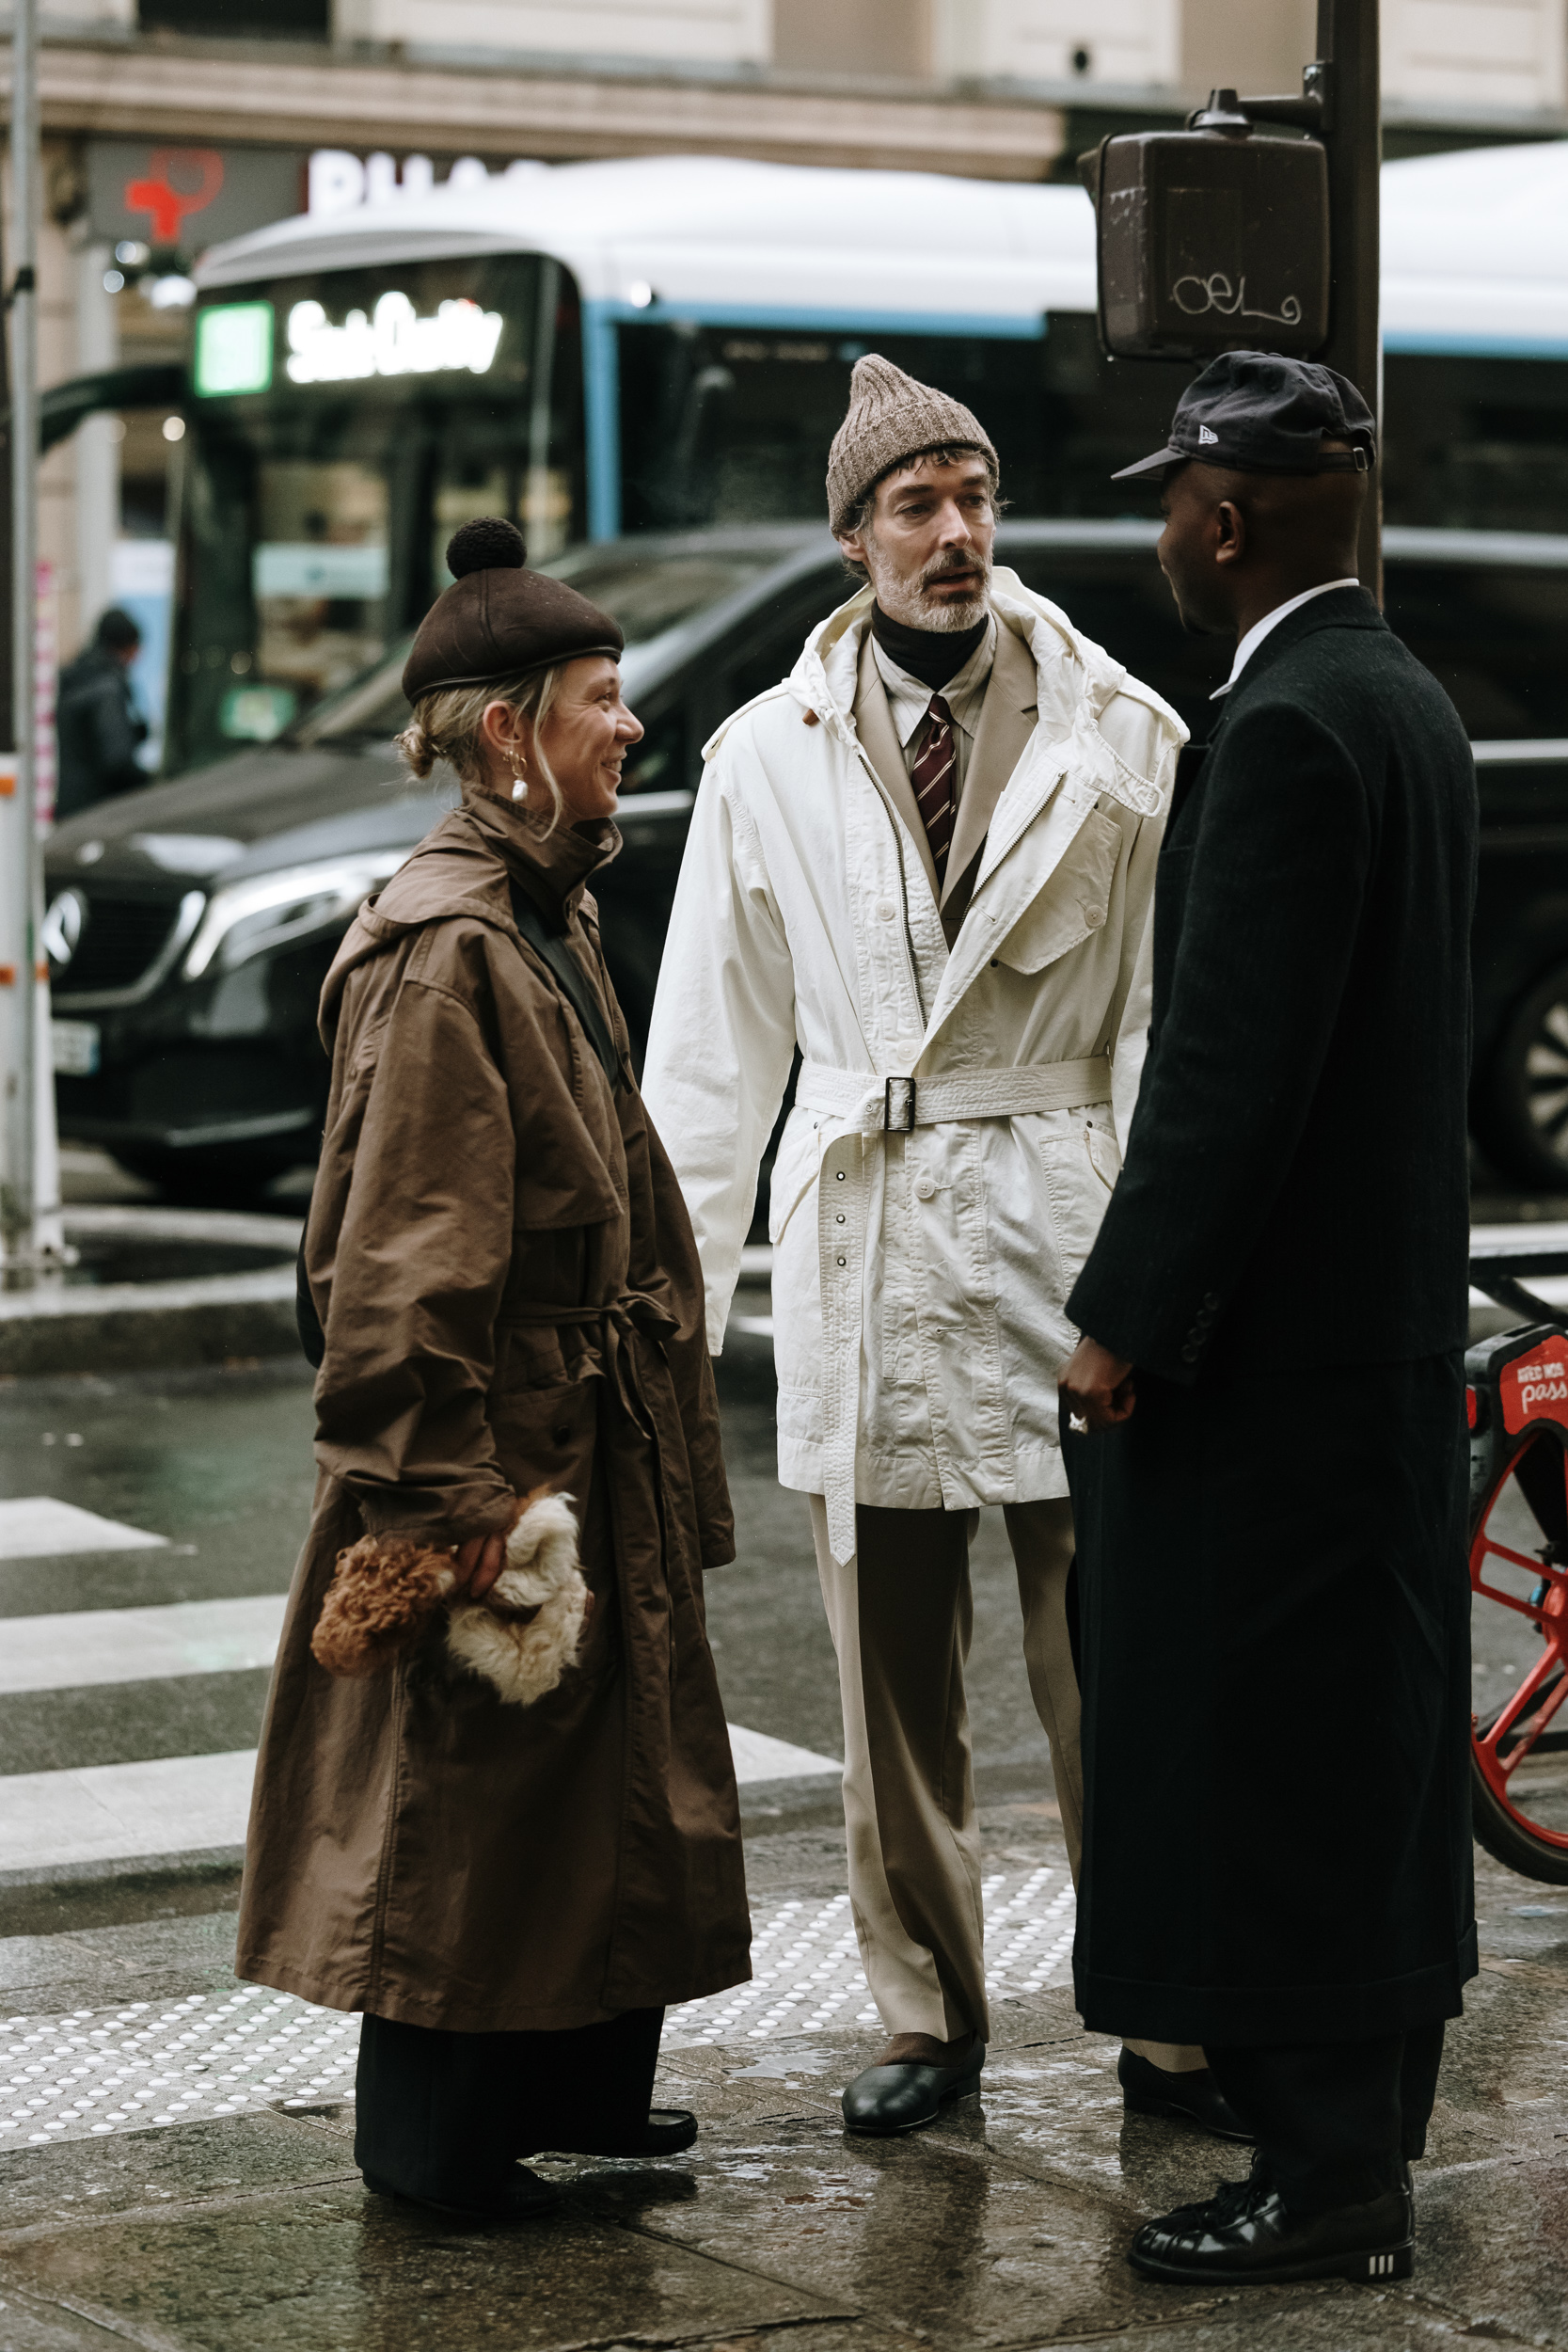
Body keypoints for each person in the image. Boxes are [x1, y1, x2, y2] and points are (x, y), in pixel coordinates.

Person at [643, 356, 1234, 2141]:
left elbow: (1154, 1027)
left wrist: (1153, 1277)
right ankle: (927, 2014)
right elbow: (711, 1052)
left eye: (971, 497)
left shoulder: (1123, 729)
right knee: (884, 1675)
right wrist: (677, 1319)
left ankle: (1169, 2011)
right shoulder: (761, 755)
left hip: (1063, 1225)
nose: (954, 532)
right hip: (870, 1227)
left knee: (1107, 1658)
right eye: (915, 505)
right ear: (852, 539)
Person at [236, 517, 751, 2223]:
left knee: (580, 1796)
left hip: (577, 1429)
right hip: (502, 1451)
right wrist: (449, 1504)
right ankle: (444, 2156)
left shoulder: (540, 912)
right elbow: (391, 1276)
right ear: (505, 736)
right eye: (602, 702)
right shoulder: (455, 948)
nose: (631, 728)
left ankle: (570, 2091)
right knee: (471, 1808)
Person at [1058, 352, 1479, 2286]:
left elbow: (1227, 1076)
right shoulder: (1397, 698)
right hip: (1372, 1339)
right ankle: (1356, 2152)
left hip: (1276, 1358)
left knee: (1269, 1758)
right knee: (1366, 1748)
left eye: (1171, 501)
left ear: (1223, 523)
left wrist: (1123, 1318)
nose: (1157, 526)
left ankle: (1320, 2184)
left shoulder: (1287, 724)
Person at [55, 607, 148, 821]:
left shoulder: (76, 678)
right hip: (97, 812)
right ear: (128, 647)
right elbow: (117, 760)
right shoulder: (107, 689)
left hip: (70, 807)